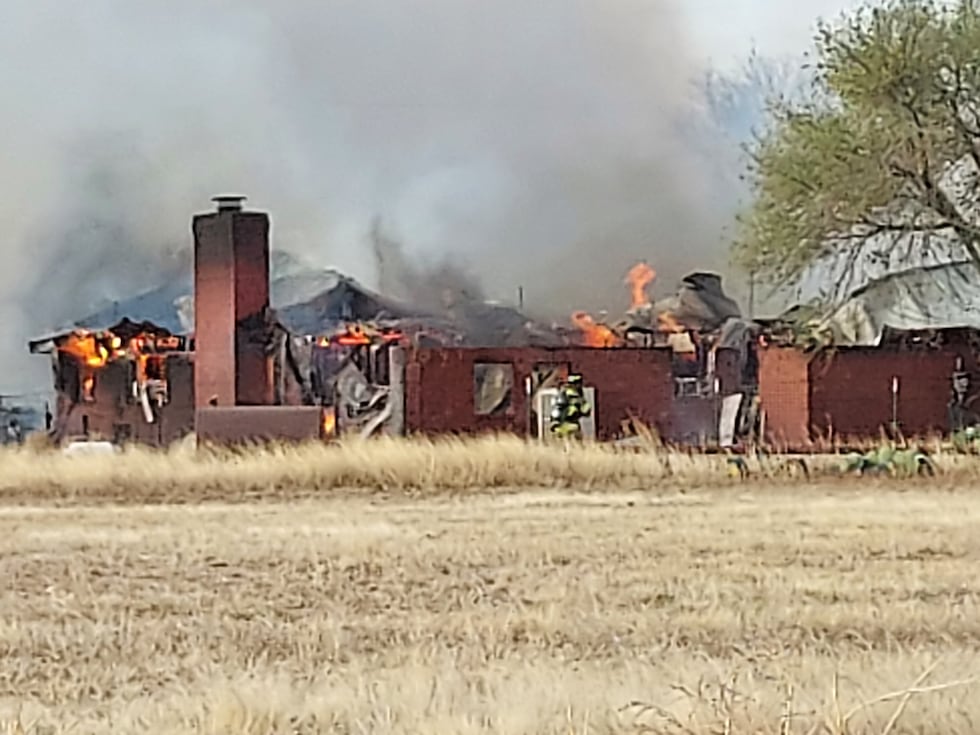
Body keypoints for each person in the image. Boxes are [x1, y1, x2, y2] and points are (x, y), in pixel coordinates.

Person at [549, 374, 591, 439]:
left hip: (566, 423)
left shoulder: (572, 394)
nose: (580, 385)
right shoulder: (571, 394)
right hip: (567, 423)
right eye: (578, 383)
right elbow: (583, 409)